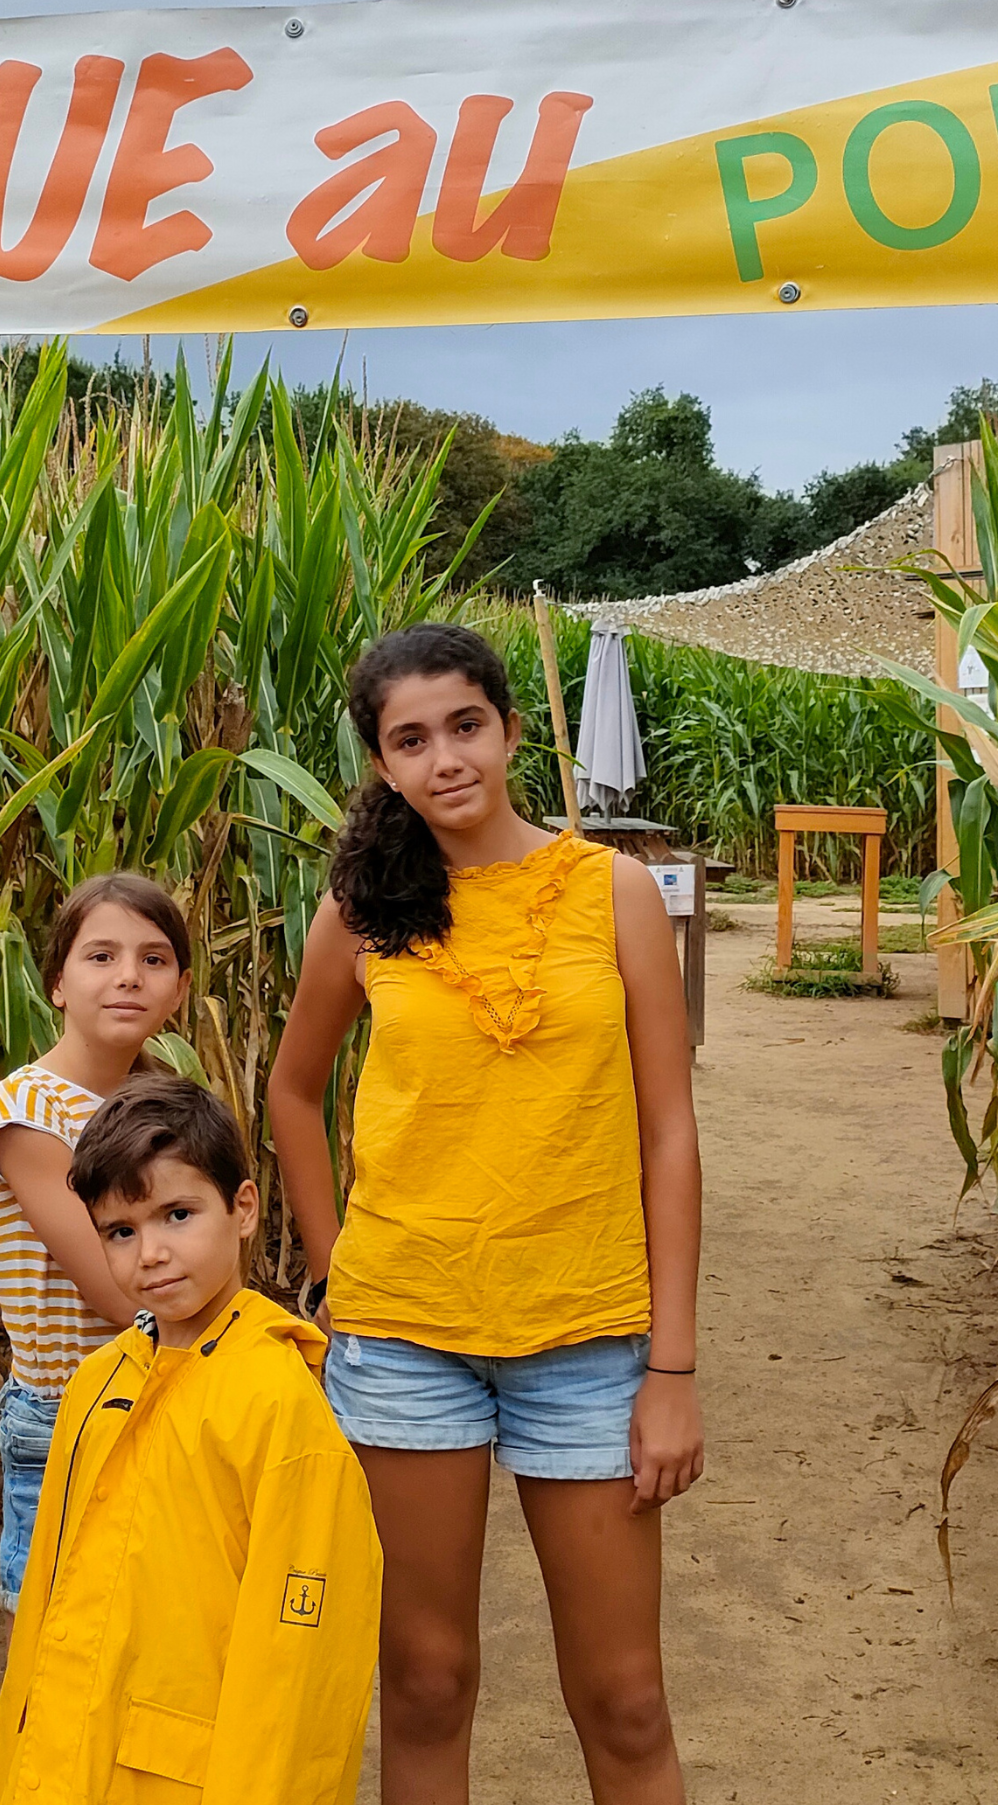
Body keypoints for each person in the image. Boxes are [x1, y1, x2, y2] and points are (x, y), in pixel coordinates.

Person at [267, 622, 705, 1804]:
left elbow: (667, 1131)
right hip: (403, 1337)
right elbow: (292, 1090)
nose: (443, 757)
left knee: (623, 1700)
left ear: (509, 730)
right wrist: (330, 1272)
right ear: (380, 764)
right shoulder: (360, 911)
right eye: (408, 739)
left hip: (588, 1339)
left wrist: (671, 1368)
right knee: (422, 1681)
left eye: (464, 725)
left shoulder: (609, 893)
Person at [0, 1077, 382, 1805]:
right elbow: (44, 1608)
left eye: (178, 1214)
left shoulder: (277, 1406)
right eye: (121, 1231)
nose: (152, 1252)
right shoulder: (97, 1385)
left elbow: (301, 1669)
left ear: (243, 1208)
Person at [0, 873, 194, 1607]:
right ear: (56, 983)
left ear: (179, 990)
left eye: (153, 960)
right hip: (70, 1411)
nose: (128, 976)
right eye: (100, 957)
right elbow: (113, 1284)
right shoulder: (26, 1110)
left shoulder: (165, 1102)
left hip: (164, 1394)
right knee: (59, 1649)